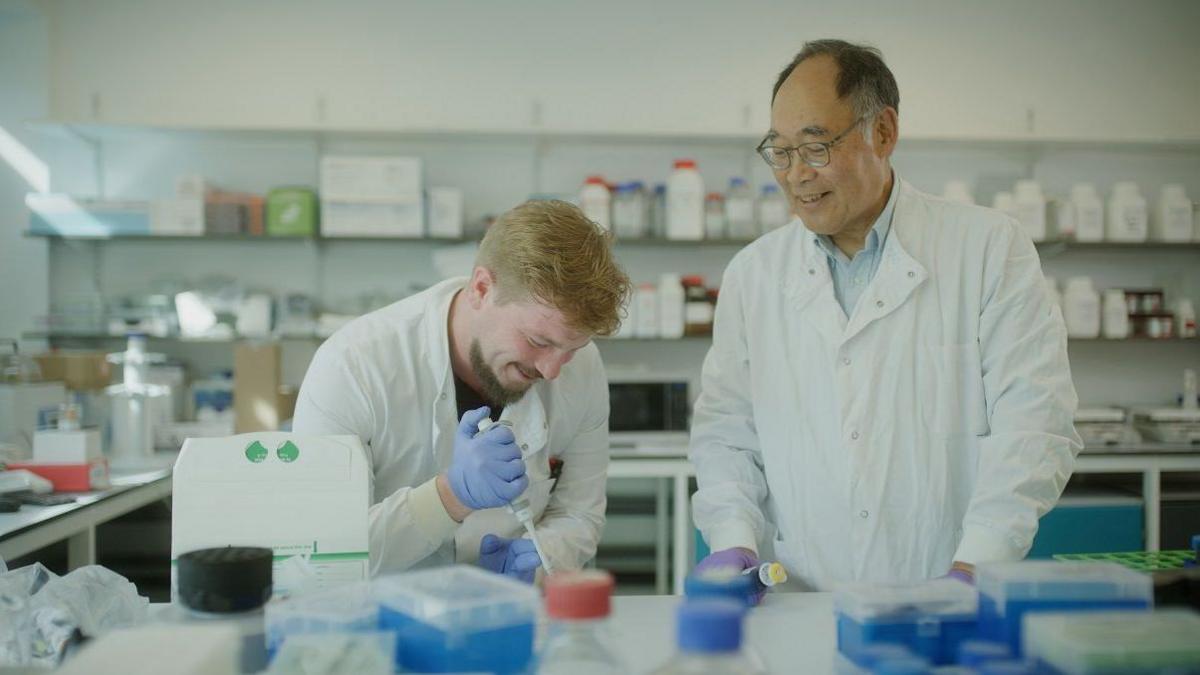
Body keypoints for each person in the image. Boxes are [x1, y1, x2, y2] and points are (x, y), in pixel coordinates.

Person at [689, 39, 1081, 592]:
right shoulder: (753, 274)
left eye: (816, 147)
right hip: (801, 596)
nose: (796, 174)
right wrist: (732, 536)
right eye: (780, 151)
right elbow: (727, 433)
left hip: (944, 590)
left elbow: (1034, 422)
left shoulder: (989, 248)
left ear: (884, 132)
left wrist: (978, 561)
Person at [293, 199, 631, 581]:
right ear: (482, 289)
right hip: (381, 625)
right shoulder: (354, 365)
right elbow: (316, 553)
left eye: (572, 349)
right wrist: (448, 497)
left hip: (509, 614)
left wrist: (544, 555)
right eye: (538, 340)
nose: (552, 370)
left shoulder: (581, 368)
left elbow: (579, 513)